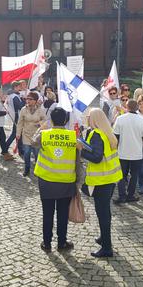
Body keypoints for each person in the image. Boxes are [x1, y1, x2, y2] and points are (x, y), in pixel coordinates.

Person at [33, 107, 80, 253]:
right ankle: (62, 242)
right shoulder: (73, 136)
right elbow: (78, 160)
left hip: (46, 181)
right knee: (62, 213)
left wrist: (41, 128)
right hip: (66, 181)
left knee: (47, 212)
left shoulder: (44, 135)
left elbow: (32, 142)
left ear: (51, 120)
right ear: (66, 121)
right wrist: (78, 180)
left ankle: (47, 243)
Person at [81, 108, 123, 258]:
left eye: (88, 116)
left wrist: (81, 150)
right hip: (110, 178)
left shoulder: (96, 134)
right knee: (106, 212)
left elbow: (97, 157)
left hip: (101, 181)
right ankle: (104, 239)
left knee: (103, 214)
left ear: (94, 119)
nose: (86, 117)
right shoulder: (107, 133)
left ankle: (106, 248)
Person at [113, 99, 143, 204]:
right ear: (137, 107)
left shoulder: (120, 119)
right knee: (134, 175)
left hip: (122, 152)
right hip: (137, 153)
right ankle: (130, 195)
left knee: (122, 175)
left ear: (127, 107)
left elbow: (116, 137)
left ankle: (121, 196)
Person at [16, 91, 46, 176]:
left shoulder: (40, 110)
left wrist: (40, 124)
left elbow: (45, 120)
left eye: (30, 99)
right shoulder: (23, 109)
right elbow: (20, 122)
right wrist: (18, 133)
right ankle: (27, 169)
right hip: (26, 134)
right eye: (27, 99)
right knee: (27, 153)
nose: (28, 101)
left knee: (37, 153)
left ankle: (37, 169)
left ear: (36, 100)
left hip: (36, 135)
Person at [5, 81, 25, 156]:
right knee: (15, 134)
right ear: (15, 87)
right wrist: (24, 100)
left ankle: (20, 150)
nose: (20, 88)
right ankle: (5, 147)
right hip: (17, 117)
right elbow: (20, 106)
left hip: (15, 116)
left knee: (18, 133)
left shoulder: (11, 95)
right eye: (19, 87)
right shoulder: (14, 96)